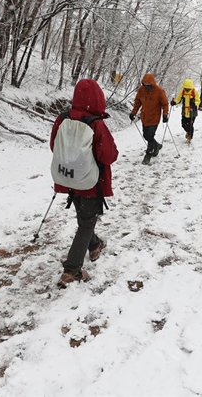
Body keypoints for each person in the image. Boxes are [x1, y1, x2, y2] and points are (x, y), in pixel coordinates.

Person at [50, 79, 119, 288]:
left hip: (67, 177)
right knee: (87, 222)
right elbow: (109, 156)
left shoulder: (62, 119)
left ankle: (95, 244)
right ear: (99, 98)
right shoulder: (95, 123)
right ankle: (71, 271)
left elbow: (54, 145)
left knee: (84, 218)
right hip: (90, 181)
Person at [129, 73, 169, 164]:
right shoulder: (141, 90)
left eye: (148, 85)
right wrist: (133, 113)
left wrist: (165, 114)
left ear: (152, 83)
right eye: (145, 85)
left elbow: (165, 104)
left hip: (154, 117)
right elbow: (137, 102)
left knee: (150, 135)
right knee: (146, 135)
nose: (147, 87)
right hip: (144, 117)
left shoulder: (159, 91)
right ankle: (156, 145)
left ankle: (148, 154)